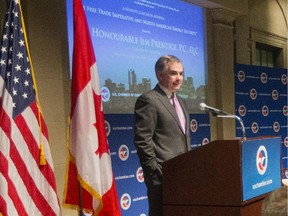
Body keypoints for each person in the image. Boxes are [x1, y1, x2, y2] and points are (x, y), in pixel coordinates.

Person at [134, 55, 191, 216]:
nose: (179, 78)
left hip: (184, 175)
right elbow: (142, 140)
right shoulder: (149, 100)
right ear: (160, 74)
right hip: (162, 177)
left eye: (181, 73)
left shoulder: (182, 102)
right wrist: (155, 172)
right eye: (174, 73)